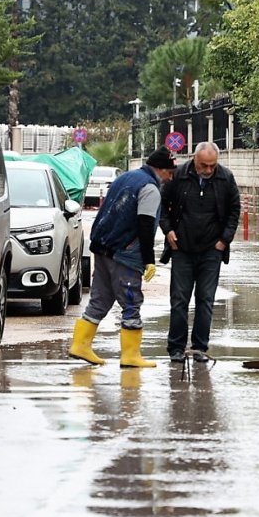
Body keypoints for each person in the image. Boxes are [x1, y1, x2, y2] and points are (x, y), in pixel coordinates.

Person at [68, 146, 176, 368]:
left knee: (101, 298)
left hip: (103, 246)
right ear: (161, 170)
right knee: (131, 301)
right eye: (169, 172)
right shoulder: (150, 189)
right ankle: (130, 355)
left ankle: (80, 345)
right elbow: (145, 225)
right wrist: (148, 260)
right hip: (125, 253)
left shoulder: (126, 177)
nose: (170, 177)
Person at [160, 142, 241, 363]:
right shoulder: (179, 176)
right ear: (195, 160)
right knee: (179, 300)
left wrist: (224, 240)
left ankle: (199, 348)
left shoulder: (225, 178)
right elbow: (162, 205)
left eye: (212, 166)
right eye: (204, 165)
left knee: (205, 299)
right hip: (182, 249)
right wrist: (168, 231)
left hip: (211, 251)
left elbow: (235, 210)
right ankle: (176, 348)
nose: (207, 170)